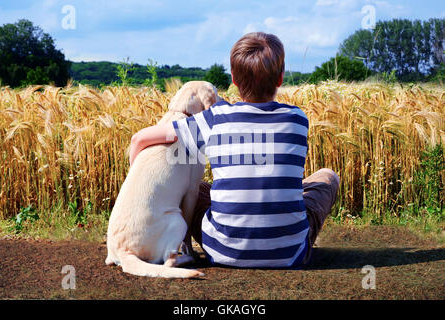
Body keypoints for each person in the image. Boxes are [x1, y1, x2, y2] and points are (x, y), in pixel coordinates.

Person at [129, 32, 340, 269]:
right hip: (290, 253)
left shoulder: (215, 118)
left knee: (194, 188)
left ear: (234, 80)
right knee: (328, 177)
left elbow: (140, 139)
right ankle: (281, 232)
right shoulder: (298, 119)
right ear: (280, 79)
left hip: (222, 250)